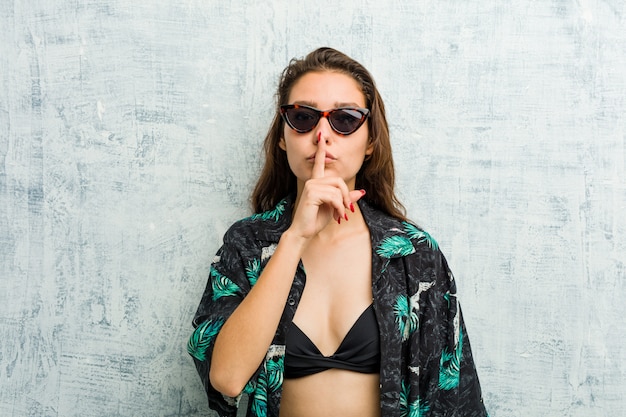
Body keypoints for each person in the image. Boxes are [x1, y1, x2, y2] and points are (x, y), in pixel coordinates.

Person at [188, 47, 488, 417]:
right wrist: (294, 238)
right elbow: (227, 378)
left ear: (371, 143)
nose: (322, 135)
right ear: (283, 137)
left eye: (344, 119)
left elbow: (455, 396)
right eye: (303, 117)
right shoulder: (247, 245)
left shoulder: (413, 254)